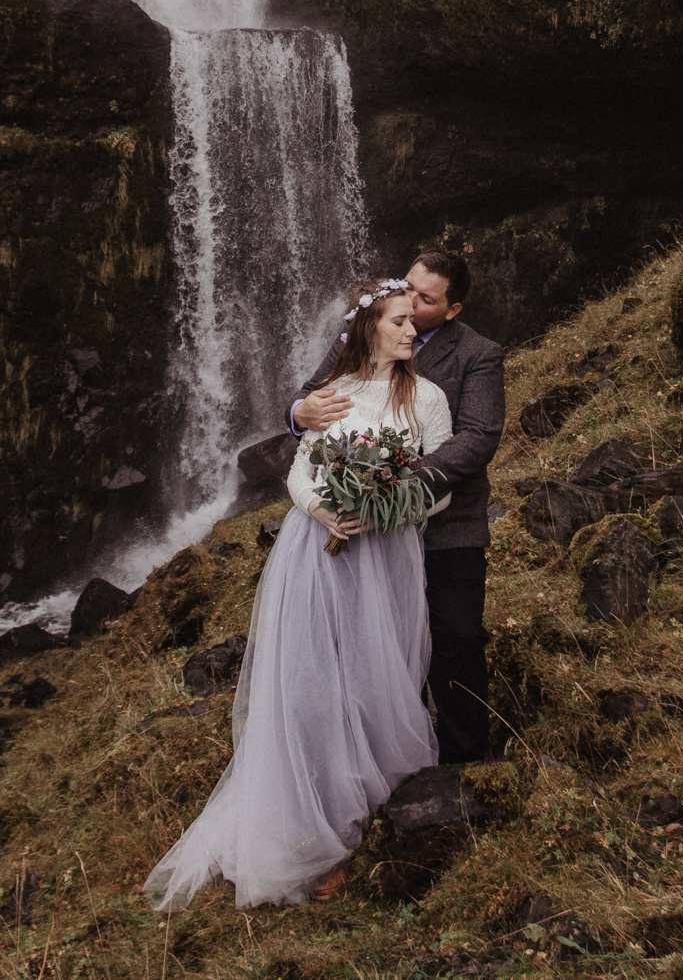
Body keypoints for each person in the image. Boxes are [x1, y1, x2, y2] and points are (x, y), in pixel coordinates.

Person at [142, 277, 452, 910]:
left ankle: (374, 797)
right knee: (313, 680)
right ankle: (310, 821)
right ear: (369, 328)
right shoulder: (331, 395)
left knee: (381, 671)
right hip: (318, 552)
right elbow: (300, 470)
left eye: (412, 321)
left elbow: (444, 485)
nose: (410, 330)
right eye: (397, 321)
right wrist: (323, 512)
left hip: (389, 552)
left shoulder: (428, 399)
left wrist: (389, 506)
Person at [286, 250, 504, 763]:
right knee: (367, 647)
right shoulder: (359, 335)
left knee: (454, 640)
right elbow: (313, 400)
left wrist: (388, 492)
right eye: (407, 287)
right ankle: (376, 757)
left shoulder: (477, 354)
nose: (409, 302)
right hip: (362, 540)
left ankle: (463, 764)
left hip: (446, 526)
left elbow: (476, 438)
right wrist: (300, 412)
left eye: (424, 300)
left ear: (451, 310)